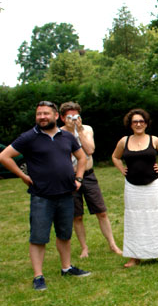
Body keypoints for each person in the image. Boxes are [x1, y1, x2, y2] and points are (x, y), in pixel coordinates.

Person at [0, 101, 91, 290]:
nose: (42, 117)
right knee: (38, 237)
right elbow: (4, 156)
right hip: (42, 196)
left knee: (64, 234)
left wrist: (79, 179)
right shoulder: (29, 137)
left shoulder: (67, 136)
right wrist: (23, 176)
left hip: (66, 193)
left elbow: (82, 157)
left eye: (46, 113)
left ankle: (66, 268)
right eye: (39, 114)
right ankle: (38, 276)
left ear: (56, 116)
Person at [111, 108, 158, 268]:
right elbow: (115, 156)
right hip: (132, 186)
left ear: (146, 123)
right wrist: (121, 169)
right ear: (130, 124)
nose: (138, 124)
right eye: (135, 122)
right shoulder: (123, 141)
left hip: (153, 185)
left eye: (141, 121)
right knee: (134, 218)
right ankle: (134, 256)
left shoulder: (154, 140)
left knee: (156, 216)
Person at [59, 101, 123, 257]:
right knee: (77, 215)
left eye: (76, 116)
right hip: (70, 177)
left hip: (88, 175)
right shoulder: (58, 133)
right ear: (62, 118)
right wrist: (68, 131)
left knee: (101, 212)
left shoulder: (87, 129)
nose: (73, 119)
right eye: (69, 117)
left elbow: (90, 150)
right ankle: (84, 248)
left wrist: (79, 131)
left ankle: (112, 244)